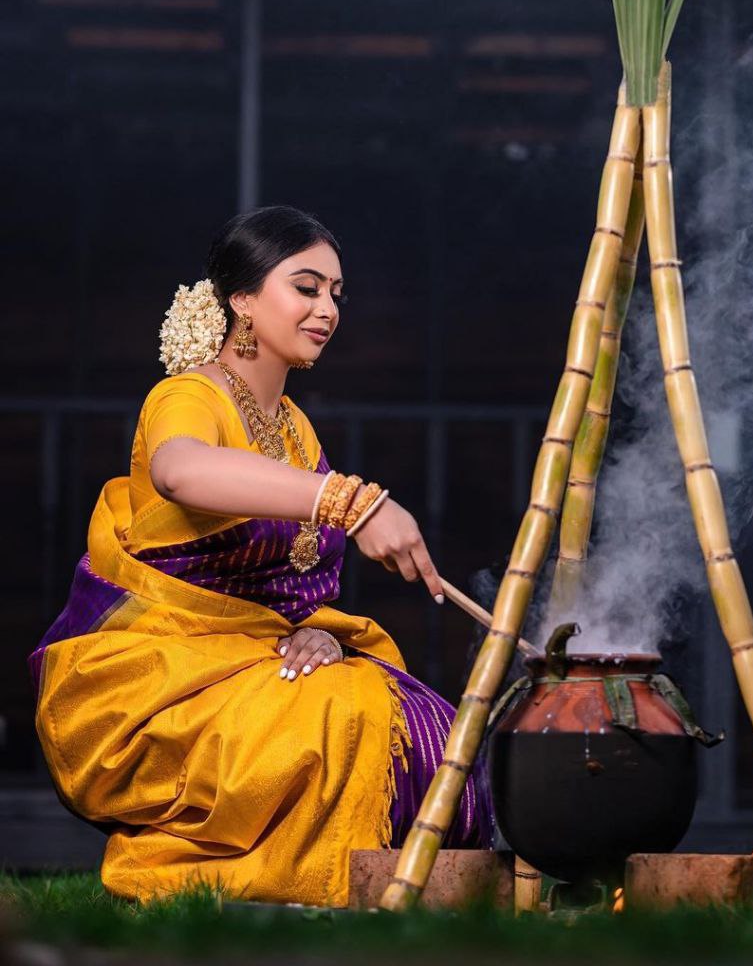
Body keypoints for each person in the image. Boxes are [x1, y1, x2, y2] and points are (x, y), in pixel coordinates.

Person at [28, 205, 494, 907]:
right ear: (241, 299)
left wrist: (313, 630)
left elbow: (288, 593)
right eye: (305, 287)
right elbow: (181, 471)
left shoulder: (294, 429)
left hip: (252, 660)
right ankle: (310, 890)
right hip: (155, 675)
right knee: (349, 717)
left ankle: (400, 895)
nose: (326, 309)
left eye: (336, 293)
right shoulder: (188, 395)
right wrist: (349, 501)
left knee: (413, 715)